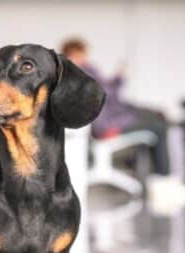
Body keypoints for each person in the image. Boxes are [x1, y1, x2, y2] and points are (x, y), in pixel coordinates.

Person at [61, 38, 170, 176]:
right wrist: (119, 78)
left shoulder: (73, 74)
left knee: (156, 117)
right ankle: (163, 177)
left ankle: (153, 173)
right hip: (107, 126)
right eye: (82, 54)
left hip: (108, 120)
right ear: (73, 54)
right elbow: (107, 93)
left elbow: (107, 93)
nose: (85, 58)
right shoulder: (82, 72)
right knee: (159, 126)